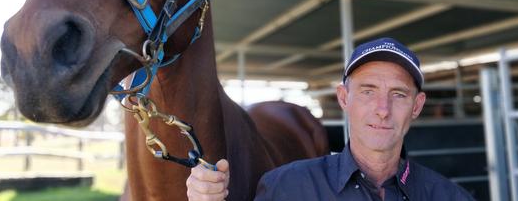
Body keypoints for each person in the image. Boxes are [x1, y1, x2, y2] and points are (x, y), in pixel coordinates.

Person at [187, 37, 475, 200]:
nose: (383, 109)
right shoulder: (285, 187)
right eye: (367, 91)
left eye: (398, 94)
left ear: (417, 105)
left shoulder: (452, 197)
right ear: (343, 98)